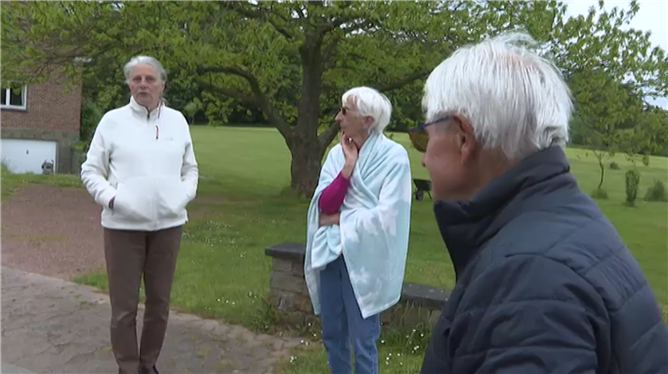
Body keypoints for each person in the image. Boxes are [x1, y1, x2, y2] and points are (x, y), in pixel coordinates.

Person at [411, 32, 668, 374]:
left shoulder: (525, 283)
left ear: (462, 139)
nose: (424, 158)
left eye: (423, 137)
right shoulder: (564, 222)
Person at [80, 55, 198, 374]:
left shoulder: (177, 121)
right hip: (123, 229)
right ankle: (128, 367)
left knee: (159, 305)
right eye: (136, 79)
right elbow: (91, 170)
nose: (143, 84)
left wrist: (181, 197)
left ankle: (148, 364)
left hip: (168, 227)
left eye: (149, 79)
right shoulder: (112, 121)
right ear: (129, 84)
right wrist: (114, 199)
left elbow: (190, 169)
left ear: (162, 83)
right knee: (124, 308)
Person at [304, 86, 413, 374]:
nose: (338, 117)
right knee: (332, 335)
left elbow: (389, 216)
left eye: (345, 111)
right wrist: (347, 168)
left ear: (367, 120)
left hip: (365, 259)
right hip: (331, 254)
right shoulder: (336, 155)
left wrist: (342, 219)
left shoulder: (394, 157)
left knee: (363, 339)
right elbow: (324, 204)